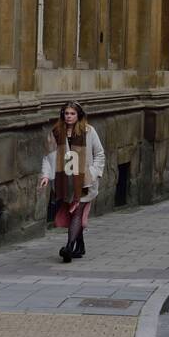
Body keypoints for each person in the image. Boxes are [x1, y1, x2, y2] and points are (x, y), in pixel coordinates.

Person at [39, 101, 106, 263]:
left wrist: (94, 172)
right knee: (73, 212)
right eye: (66, 113)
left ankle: (69, 247)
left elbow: (99, 154)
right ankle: (80, 247)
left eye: (72, 114)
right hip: (66, 181)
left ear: (79, 115)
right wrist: (46, 176)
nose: (68, 117)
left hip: (84, 181)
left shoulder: (88, 131)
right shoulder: (55, 133)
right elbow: (48, 158)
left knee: (77, 212)